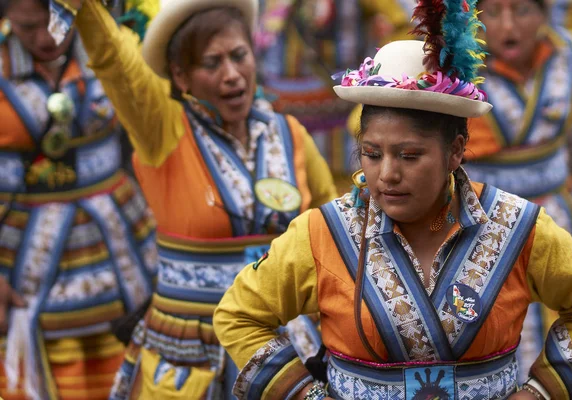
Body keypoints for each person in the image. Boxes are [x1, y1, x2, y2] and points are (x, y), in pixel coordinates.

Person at [213, 0, 572, 399]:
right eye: (372, 153)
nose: (387, 175)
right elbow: (239, 315)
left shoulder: (517, 226)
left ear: (456, 151)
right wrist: (305, 394)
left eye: (410, 156)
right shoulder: (321, 234)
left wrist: (543, 390)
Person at [62, 0, 337, 397]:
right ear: (181, 75)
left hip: (285, 351)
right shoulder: (164, 131)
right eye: (212, 63)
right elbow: (113, 60)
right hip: (189, 358)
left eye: (239, 56)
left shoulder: (289, 133)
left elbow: (331, 232)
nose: (231, 75)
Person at [0, 0, 158, 399]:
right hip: (20, 260)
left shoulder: (114, 49)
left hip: (123, 248)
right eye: (27, 27)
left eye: (55, 23)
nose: (45, 38)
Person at [464, 0, 572, 383]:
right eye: (492, 12)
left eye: (522, 10)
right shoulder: (453, 66)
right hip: (478, 223)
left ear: (544, 14)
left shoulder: (571, 53)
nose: (507, 25)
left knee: (568, 308)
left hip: (554, 212)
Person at [255, 0, 414, 191]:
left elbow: (409, 25)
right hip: (277, 138)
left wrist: (379, 88)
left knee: (339, 214)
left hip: (341, 143)